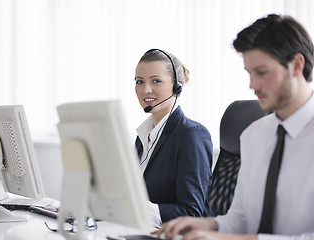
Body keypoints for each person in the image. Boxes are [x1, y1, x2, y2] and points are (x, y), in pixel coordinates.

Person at [155, 14, 314, 240]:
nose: (252, 85)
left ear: (297, 65)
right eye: (249, 73)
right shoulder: (254, 135)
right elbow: (240, 218)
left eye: (261, 72)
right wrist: (206, 226)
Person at [134, 49, 213, 228]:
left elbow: (191, 212)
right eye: (140, 81)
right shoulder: (142, 137)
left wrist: (136, 208)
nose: (145, 90)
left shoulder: (191, 135)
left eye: (156, 81)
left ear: (176, 86)